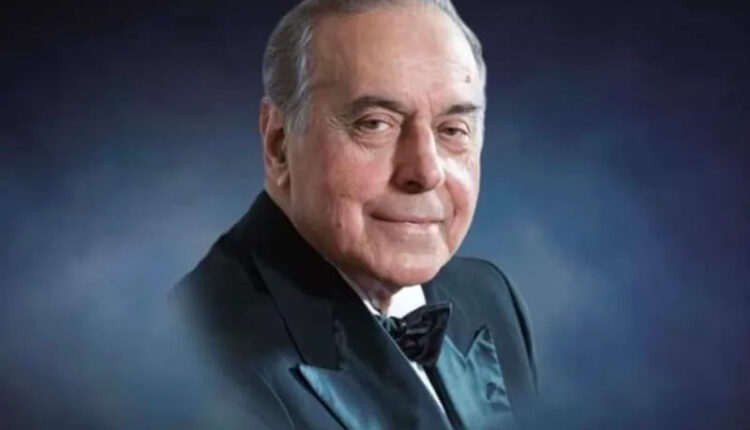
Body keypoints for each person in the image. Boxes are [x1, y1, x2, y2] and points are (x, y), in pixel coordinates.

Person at [173, 0, 537, 428]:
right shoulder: (195, 359)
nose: (426, 171)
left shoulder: (489, 296)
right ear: (279, 144)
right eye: (374, 123)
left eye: (452, 130)